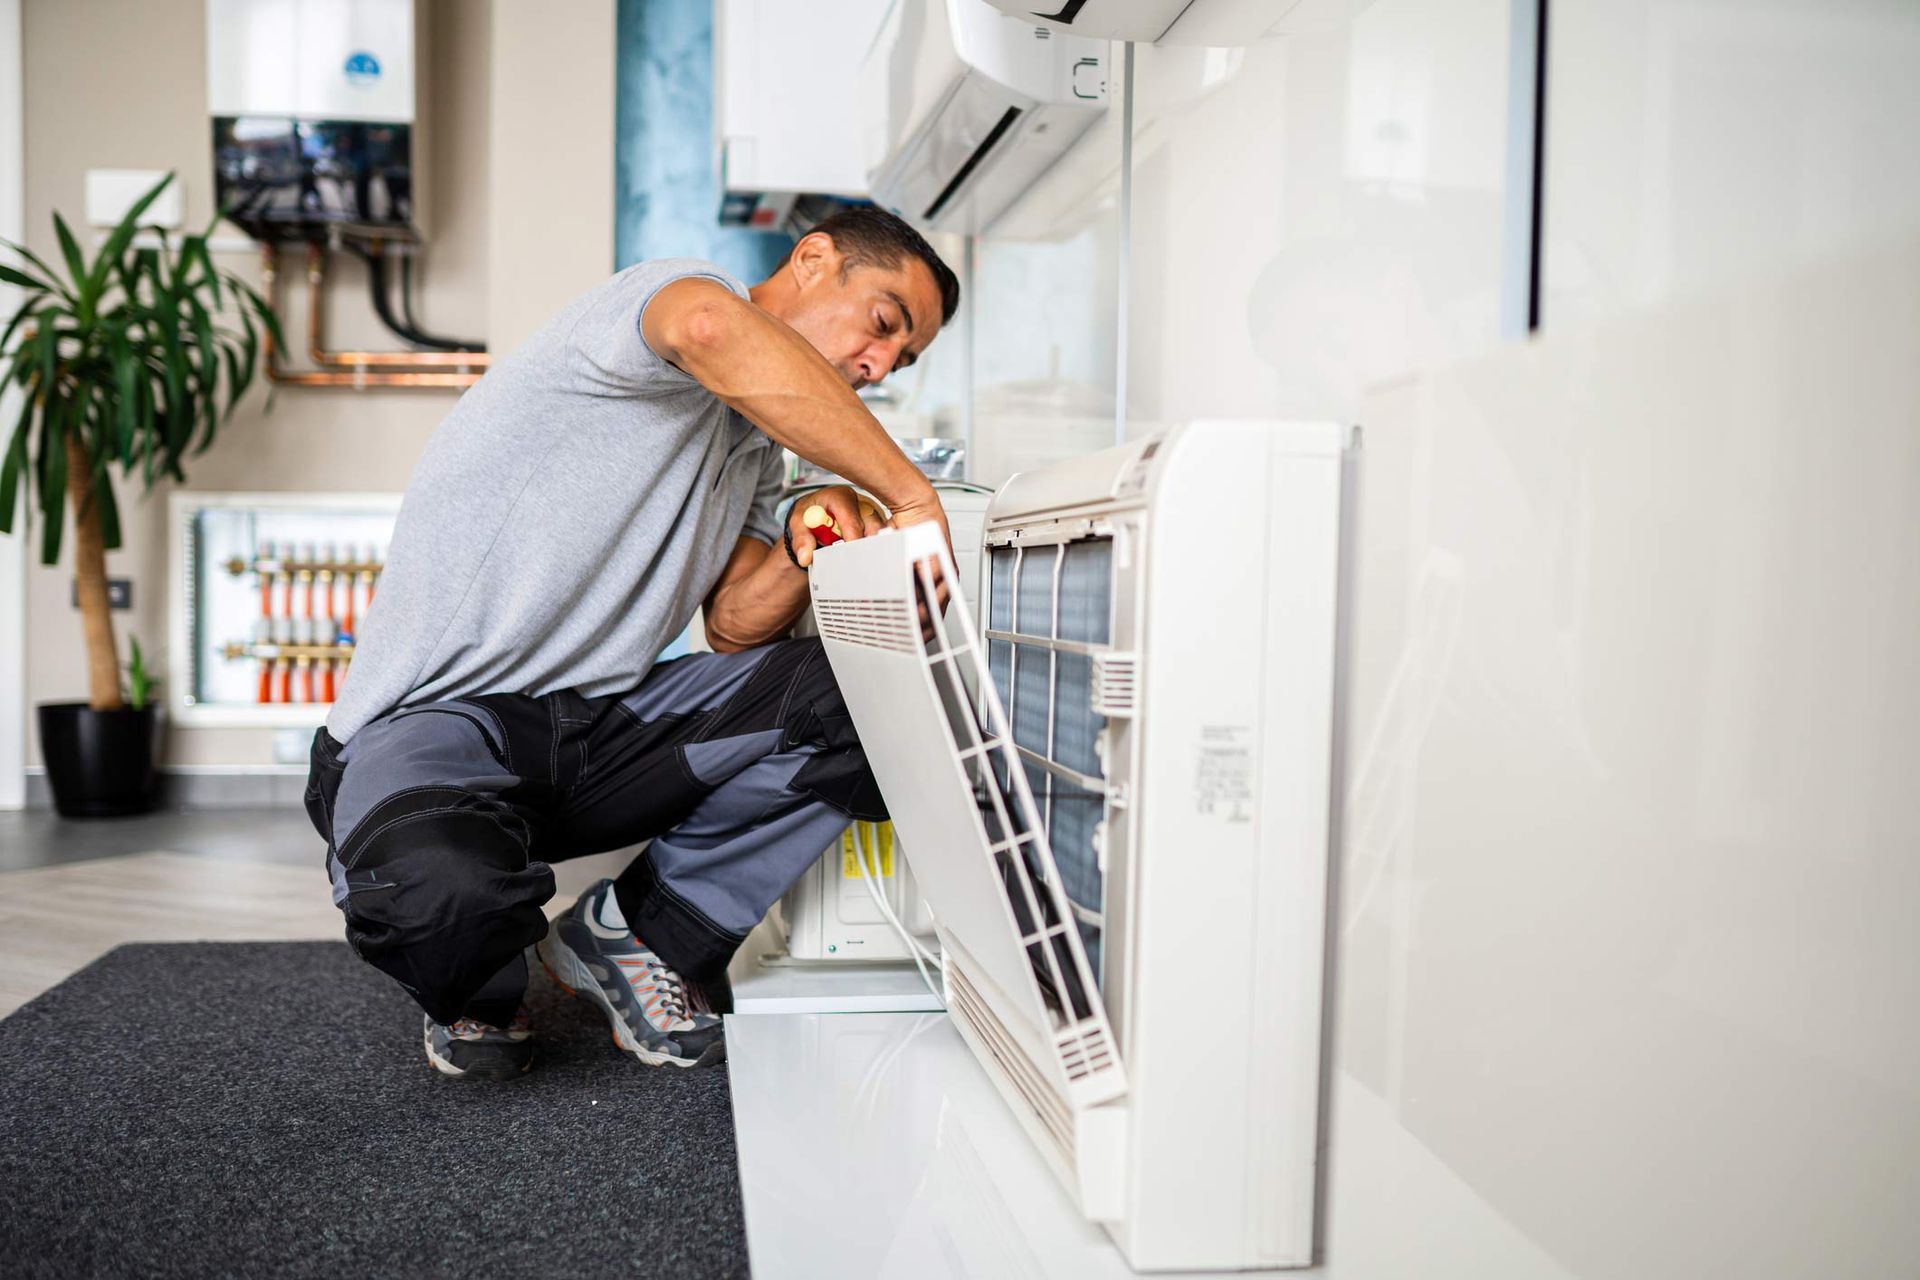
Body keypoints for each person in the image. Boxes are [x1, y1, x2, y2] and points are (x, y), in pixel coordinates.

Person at [303, 207, 958, 1080]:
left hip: (593, 733)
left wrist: (809, 535)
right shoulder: (668, 299)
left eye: (901, 360)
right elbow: (709, 329)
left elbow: (731, 625)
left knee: (869, 693)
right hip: (431, 737)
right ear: (812, 260)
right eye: (883, 324)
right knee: (448, 905)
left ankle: (640, 931)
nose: (879, 366)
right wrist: (910, 498)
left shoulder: (757, 452)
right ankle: (481, 983)